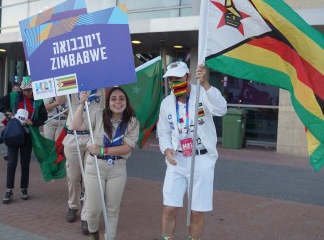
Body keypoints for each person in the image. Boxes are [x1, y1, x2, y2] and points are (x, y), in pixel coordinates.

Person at [156, 61, 227, 240]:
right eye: (171, 79)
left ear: (188, 77)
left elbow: (221, 109)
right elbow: (163, 132)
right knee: (170, 208)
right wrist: (166, 150)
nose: (174, 82)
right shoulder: (166, 104)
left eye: (178, 78)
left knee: (197, 211)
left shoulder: (202, 94)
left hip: (201, 160)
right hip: (177, 160)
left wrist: (205, 83)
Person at [72, 87, 140, 240]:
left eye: (121, 98)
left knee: (112, 209)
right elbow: (76, 126)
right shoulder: (97, 115)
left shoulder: (132, 122)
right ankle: (93, 233)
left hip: (117, 169)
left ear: (126, 102)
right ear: (108, 102)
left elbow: (127, 148)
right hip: (94, 167)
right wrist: (82, 104)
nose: (117, 102)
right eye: (113, 98)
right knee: (93, 209)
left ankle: (110, 237)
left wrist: (102, 151)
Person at [0, 76, 48, 203]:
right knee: (12, 163)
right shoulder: (14, 95)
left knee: (25, 164)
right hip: (14, 133)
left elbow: (43, 117)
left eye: (29, 90)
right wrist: (7, 112)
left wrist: (33, 122)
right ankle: (9, 191)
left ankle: (24, 189)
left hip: (28, 135)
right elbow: (0, 103)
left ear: (34, 89)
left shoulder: (39, 101)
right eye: (24, 90)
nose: (26, 93)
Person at [62, 89, 105, 235]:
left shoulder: (100, 89)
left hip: (92, 137)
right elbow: (60, 100)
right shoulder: (70, 86)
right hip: (73, 137)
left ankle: (86, 216)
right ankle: (73, 205)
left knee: (90, 178)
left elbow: (102, 112)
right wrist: (80, 100)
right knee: (73, 177)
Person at [3, 83, 21, 161]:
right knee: (10, 135)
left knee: (18, 136)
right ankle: (10, 154)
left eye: (18, 89)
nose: (16, 91)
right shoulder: (9, 98)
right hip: (11, 119)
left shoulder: (22, 99)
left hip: (20, 120)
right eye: (14, 89)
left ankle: (16, 152)